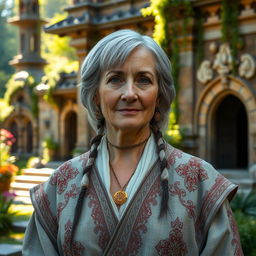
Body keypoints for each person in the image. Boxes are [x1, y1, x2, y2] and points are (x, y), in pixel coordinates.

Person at [22, 29, 243, 256]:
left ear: (159, 95)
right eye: (115, 79)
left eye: (143, 80)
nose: (129, 93)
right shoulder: (61, 184)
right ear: (96, 94)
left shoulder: (199, 181)